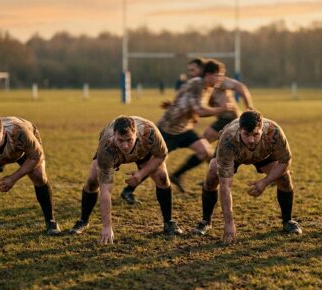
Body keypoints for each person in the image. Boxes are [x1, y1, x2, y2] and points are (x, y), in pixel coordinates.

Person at [120, 59, 236, 202]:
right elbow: (199, 109)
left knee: (205, 151)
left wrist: (175, 104)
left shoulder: (206, 86)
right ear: (209, 74)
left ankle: (177, 175)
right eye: (219, 75)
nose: (221, 78)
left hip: (185, 129)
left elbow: (184, 94)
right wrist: (222, 109)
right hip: (168, 129)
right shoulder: (198, 84)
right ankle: (127, 191)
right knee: (154, 164)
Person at [69, 116, 183, 244]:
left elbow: (161, 155)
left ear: (136, 134)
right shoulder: (107, 146)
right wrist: (107, 227)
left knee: (162, 177)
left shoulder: (149, 132)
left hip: (142, 151)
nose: (125, 145)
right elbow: (106, 191)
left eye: (129, 140)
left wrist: (141, 174)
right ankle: (83, 221)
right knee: (92, 182)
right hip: (113, 154)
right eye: (120, 140)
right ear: (114, 135)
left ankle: (169, 222)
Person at [194, 110, 303, 241]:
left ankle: (288, 221)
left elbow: (285, 162)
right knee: (212, 174)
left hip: (263, 154)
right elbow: (225, 185)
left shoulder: (274, 132)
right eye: (246, 134)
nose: (251, 140)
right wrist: (229, 224)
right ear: (240, 129)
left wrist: (265, 181)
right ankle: (206, 221)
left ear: (262, 129)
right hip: (235, 153)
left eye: (256, 134)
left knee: (284, 178)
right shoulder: (228, 138)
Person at [203, 76, 254, 143]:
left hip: (230, 117)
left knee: (206, 138)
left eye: (193, 70)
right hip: (223, 118)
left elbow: (240, 86)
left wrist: (249, 107)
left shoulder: (218, 80)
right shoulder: (201, 83)